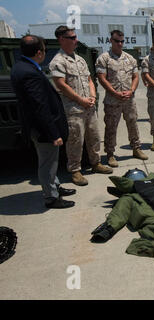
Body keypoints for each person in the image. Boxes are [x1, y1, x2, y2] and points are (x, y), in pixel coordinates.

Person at [11, 35, 75, 209]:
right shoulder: (28, 73)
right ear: (39, 52)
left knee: (51, 162)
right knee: (48, 163)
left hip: (38, 126)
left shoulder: (22, 67)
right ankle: (51, 198)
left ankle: (55, 187)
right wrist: (53, 133)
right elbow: (39, 107)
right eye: (44, 51)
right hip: (43, 129)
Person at [50, 26, 112, 187]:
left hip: (88, 107)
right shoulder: (58, 61)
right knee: (75, 140)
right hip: (73, 109)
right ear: (61, 39)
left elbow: (90, 79)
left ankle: (96, 163)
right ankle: (75, 170)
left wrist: (92, 96)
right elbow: (61, 85)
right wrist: (80, 100)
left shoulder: (80, 59)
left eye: (75, 37)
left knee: (94, 136)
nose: (76, 40)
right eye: (72, 37)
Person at [95, 30, 148, 168]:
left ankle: (136, 148)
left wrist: (131, 90)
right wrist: (114, 93)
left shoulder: (130, 58)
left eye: (122, 41)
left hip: (129, 99)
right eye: (116, 41)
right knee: (111, 127)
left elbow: (135, 77)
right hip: (113, 101)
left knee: (133, 124)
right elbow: (101, 78)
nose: (119, 43)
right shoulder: (104, 58)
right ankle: (110, 153)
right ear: (111, 41)